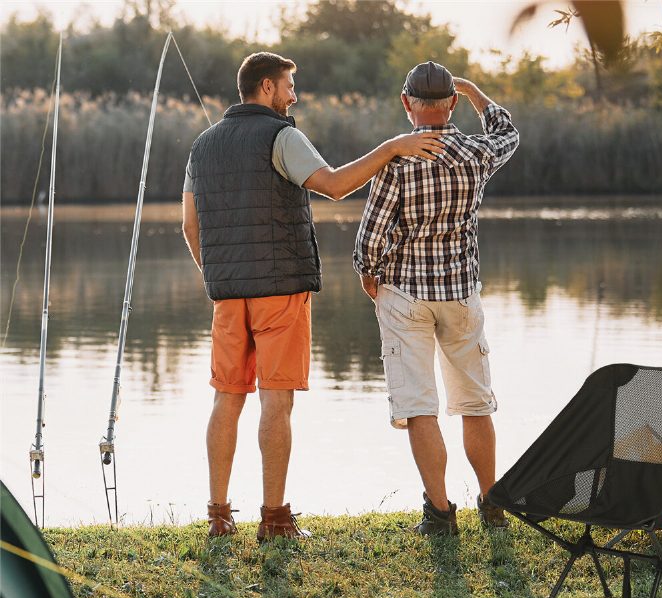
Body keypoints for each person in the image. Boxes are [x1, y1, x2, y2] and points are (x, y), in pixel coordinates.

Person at [182, 52, 444, 542]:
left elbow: (189, 226)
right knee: (275, 403)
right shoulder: (282, 136)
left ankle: (219, 515)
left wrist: (218, 276)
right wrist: (392, 147)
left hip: (227, 296)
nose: (293, 96)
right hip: (280, 294)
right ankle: (275, 519)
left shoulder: (202, 145)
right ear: (265, 86)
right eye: (287, 86)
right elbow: (336, 186)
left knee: (226, 399)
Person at [353, 62, 519, 535]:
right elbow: (509, 134)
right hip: (461, 293)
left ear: (406, 104)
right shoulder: (476, 153)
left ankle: (441, 512)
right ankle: (491, 502)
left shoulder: (398, 159)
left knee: (419, 405)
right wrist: (474, 93)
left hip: (405, 293)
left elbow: (371, 234)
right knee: (474, 402)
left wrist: (369, 273)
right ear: (449, 104)